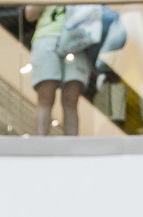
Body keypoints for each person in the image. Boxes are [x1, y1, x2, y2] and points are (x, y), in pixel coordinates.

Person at [24, 5, 98, 136]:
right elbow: (30, 14)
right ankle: (40, 146)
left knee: (71, 99)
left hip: (78, 39)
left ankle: (71, 149)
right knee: (45, 96)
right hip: (47, 36)